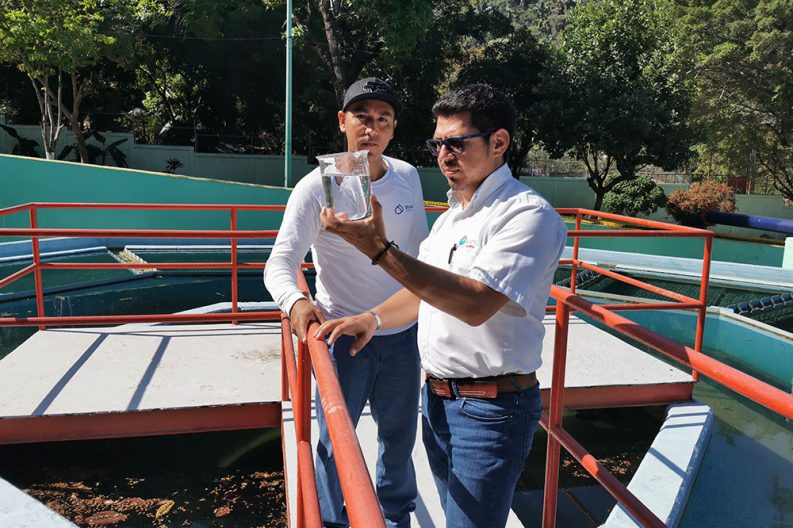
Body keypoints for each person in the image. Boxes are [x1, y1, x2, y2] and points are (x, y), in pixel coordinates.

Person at [315, 84, 567, 528]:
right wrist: (373, 318)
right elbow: (422, 293)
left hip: (490, 411)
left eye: (457, 143)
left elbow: (475, 303)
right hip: (437, 401)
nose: (444, 155)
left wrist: (379, 250)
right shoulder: (451, 218)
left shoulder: (527, 215)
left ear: (499, 142)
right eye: (438, 145)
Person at [264, 77, 429, 528]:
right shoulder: (316, 187)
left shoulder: (407, 177)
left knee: (400, 437)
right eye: (362, 117)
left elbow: (419, 258)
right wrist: (296, 302)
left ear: (393, 128)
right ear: (342, 121)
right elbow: (280, 262)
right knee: (335, 439)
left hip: (401, 333)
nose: (372, 128)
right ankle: (333, 519)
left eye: (383, 119)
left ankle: (395, 515)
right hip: (342, 336)